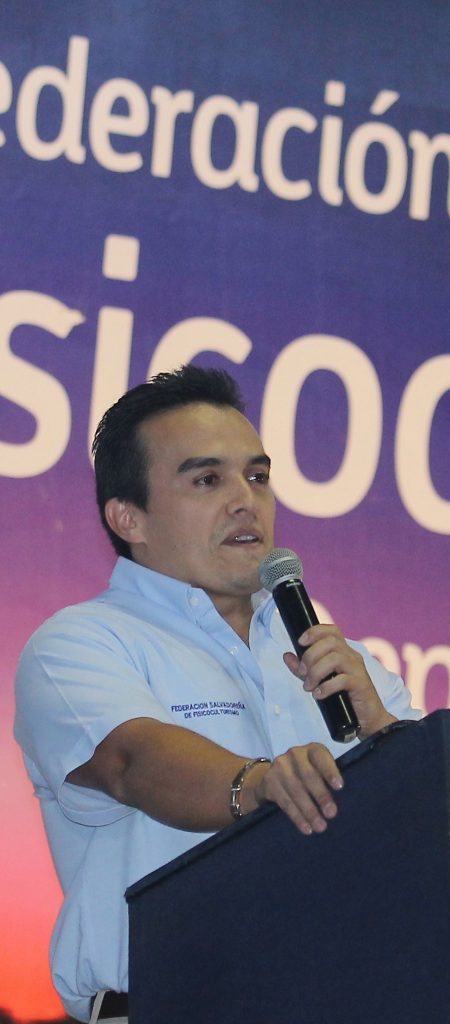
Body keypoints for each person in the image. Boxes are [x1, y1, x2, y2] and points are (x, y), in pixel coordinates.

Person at [14, 365, 421, 1023]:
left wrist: (385, 736)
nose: (245, 501)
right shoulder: (81, 643)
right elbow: (134, 762)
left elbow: (437, 821)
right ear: (129, 517)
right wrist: (258, 786)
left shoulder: (346, 664)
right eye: (207, 480)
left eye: (257, 477)